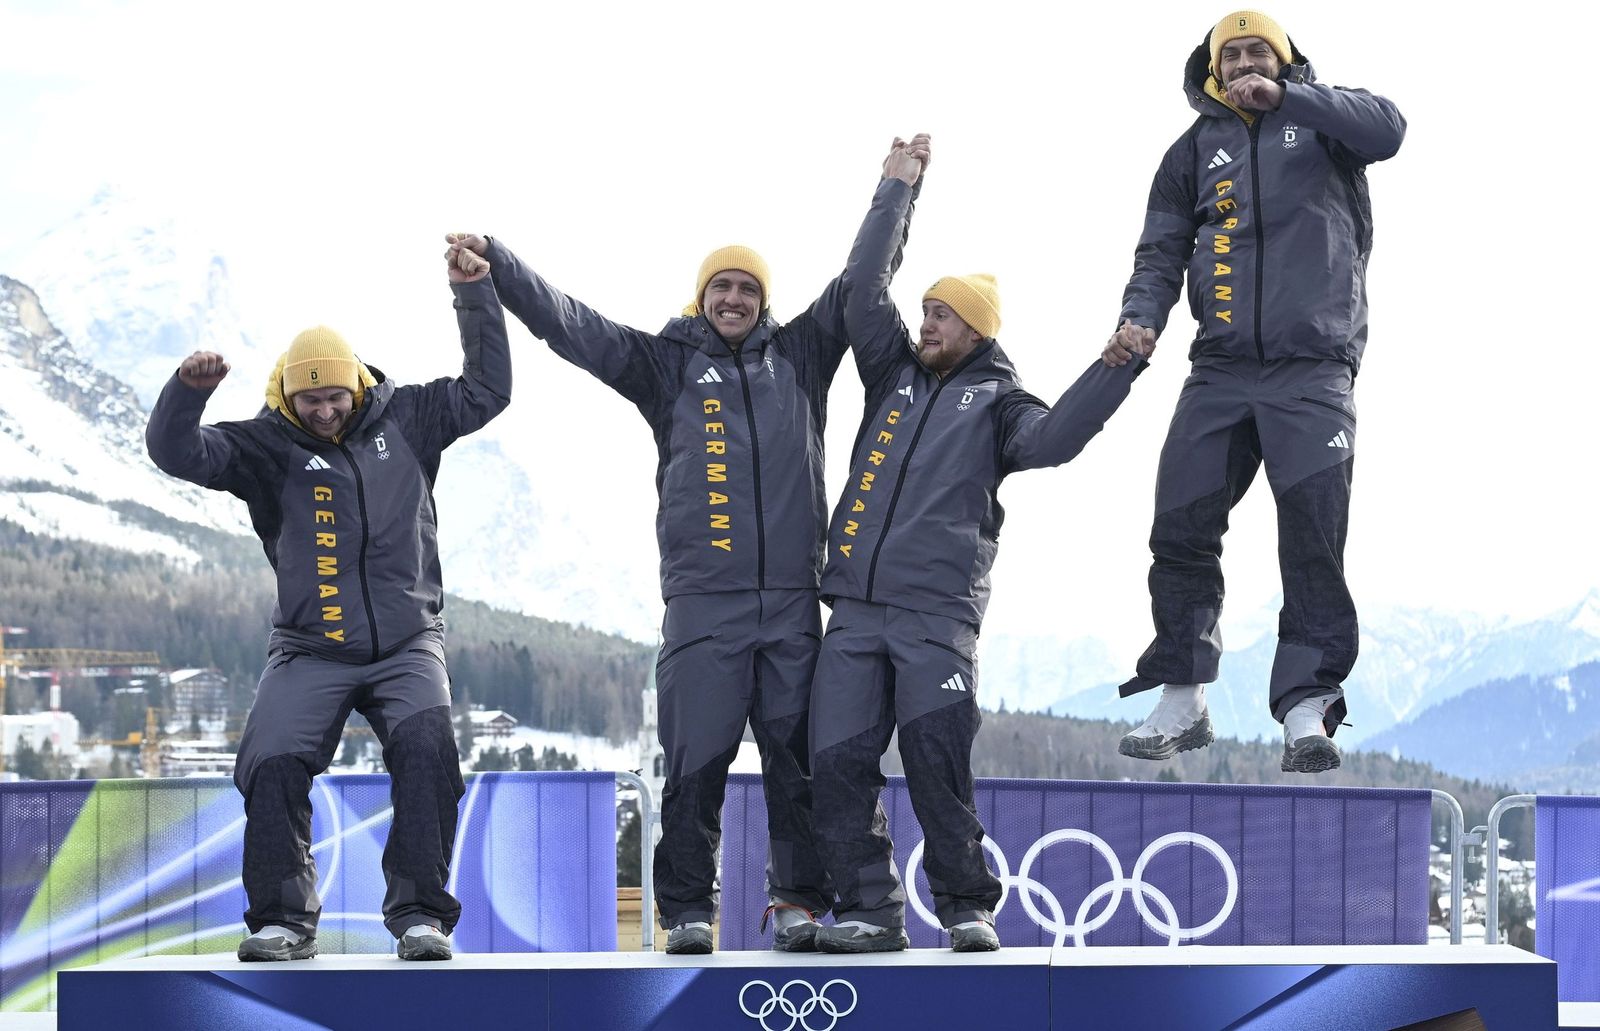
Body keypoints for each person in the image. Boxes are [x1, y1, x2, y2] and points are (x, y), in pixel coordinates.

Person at [446, 136, 931, 954]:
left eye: (747, 289)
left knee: (797, 770)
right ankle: (690, 911)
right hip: (704, 611)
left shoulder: (802, 355)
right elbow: (572, 325)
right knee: (696, 770)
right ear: (701, 295)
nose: (734, 298)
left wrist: (896, 188)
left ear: (763, 301)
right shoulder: (664, 364)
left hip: (790, 610)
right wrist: (501, 268)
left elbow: (860, 280)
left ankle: (799, 902)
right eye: (721, 287)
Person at [808, 141, 1145, 954]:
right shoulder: (892, 374)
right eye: (924, 311)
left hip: (934, 620)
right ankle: (870, 908)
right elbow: (862, 288)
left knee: (935, 766)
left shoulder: (997, 401)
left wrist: (1113, 370)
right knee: (838, 763)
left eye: (942, 315)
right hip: (854, 610)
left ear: (977, 329)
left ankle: (965, 905)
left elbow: (1057, 440)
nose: (925, 324)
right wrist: (897, 188)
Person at [145, 243, 510, 961]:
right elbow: (176, 452)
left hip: (408, 641)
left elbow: (487, 388)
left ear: (355, 385)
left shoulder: (410, 416)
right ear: (287, 394)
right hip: (310, 647)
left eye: (333, 396)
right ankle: (282, 921)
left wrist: (475, 296)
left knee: (428, 749)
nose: (322, 410)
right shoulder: (265, 446)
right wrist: (187, 395)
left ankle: (420, 917)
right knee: (272, 760)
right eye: (307, 399)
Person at [1106, 10, 1405, 774]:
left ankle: (1307, 704)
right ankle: (1183, 692)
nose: (1242, 61)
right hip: (1219, 368)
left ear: (1283, 60)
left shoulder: (1327, 122)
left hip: (1313, 368)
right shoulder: (1189, 153)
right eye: (1230, 53)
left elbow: (1391, 128)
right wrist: (1139, 319)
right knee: (1180, 524)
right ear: (1212, 68)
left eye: (1257, 51)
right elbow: (1158, 252)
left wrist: (1292, 99)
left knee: (1311, 534)